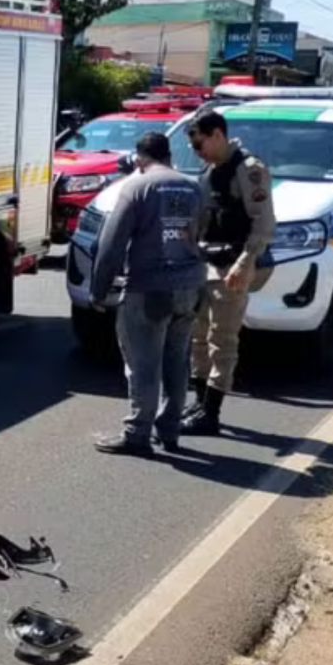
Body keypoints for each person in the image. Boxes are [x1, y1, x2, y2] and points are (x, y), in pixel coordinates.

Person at [91, 132, 207, 457]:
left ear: (140, 158)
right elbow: (204, 234)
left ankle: (137, 434)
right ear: (168, 155)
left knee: (143, 364)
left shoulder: (137, 186)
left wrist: (99, 290)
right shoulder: (193, 186)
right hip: (190, 286)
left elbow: (111, 244)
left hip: (150, 289)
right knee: (177, 361)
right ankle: (170, 431)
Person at [181, 110, 276, 436]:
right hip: (206, 263)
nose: (197, 151)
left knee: (222, 339)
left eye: (200, 144)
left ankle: (211, 413)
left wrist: (246, 261)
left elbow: (263, 222)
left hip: (232, 265)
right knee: (198, 335)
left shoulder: (249, 170)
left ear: (218, 135)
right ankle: (199, 401)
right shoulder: (211, 169)